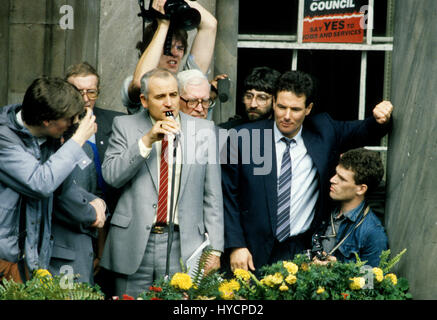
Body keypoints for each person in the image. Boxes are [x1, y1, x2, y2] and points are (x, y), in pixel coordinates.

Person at [221, 70, 393, 273]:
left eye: (295, 109)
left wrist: (381, 117)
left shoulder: (324, 131)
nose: (286, 116)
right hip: (249, 250)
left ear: (308, 108)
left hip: (300, 251)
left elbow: (365, 130)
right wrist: (236, 245)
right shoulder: (243, 138)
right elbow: (227, 196)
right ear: (274, 103)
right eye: (281, 107)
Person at [100, 68, 223, 298]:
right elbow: (112, 177)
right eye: (160, 97)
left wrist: (215, 249)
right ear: (144, 101)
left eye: (173, 95)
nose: (169, 103)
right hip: (135, 242)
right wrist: (146, 141)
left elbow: (212, 195)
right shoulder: (124, 126)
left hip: (183, 242)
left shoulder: (203, 130)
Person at [0, 77, 106, 282]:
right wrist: (78, 139)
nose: (74, 124)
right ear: (47, 121)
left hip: (32, 258)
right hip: (5, 259)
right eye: (69, 119)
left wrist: (94, 204)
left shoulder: (50, 138)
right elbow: (40, 182)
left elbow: (62, 186)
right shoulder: (4, 137)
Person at [49, 62, 122, 285]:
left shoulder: (116, 122)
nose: (85, 98)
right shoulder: (56, 133)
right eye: (77, 91)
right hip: (69, 228)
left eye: (91, 91)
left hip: (110, 222)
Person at [121, 0, 217, 115]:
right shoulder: (133, 82)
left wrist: (178, 2)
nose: (175, 53)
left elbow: (210, 25)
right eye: (167, 47)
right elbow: (140, 83)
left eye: (180, 48)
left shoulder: (186, 82)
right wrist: (163, 25)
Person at [312, 148, 388, 267]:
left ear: (361, 189)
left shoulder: (373, 234)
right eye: (336, 173)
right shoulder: (324, 210)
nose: (332, 180)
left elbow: (370, 283)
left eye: (342, 179)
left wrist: (340, 269)